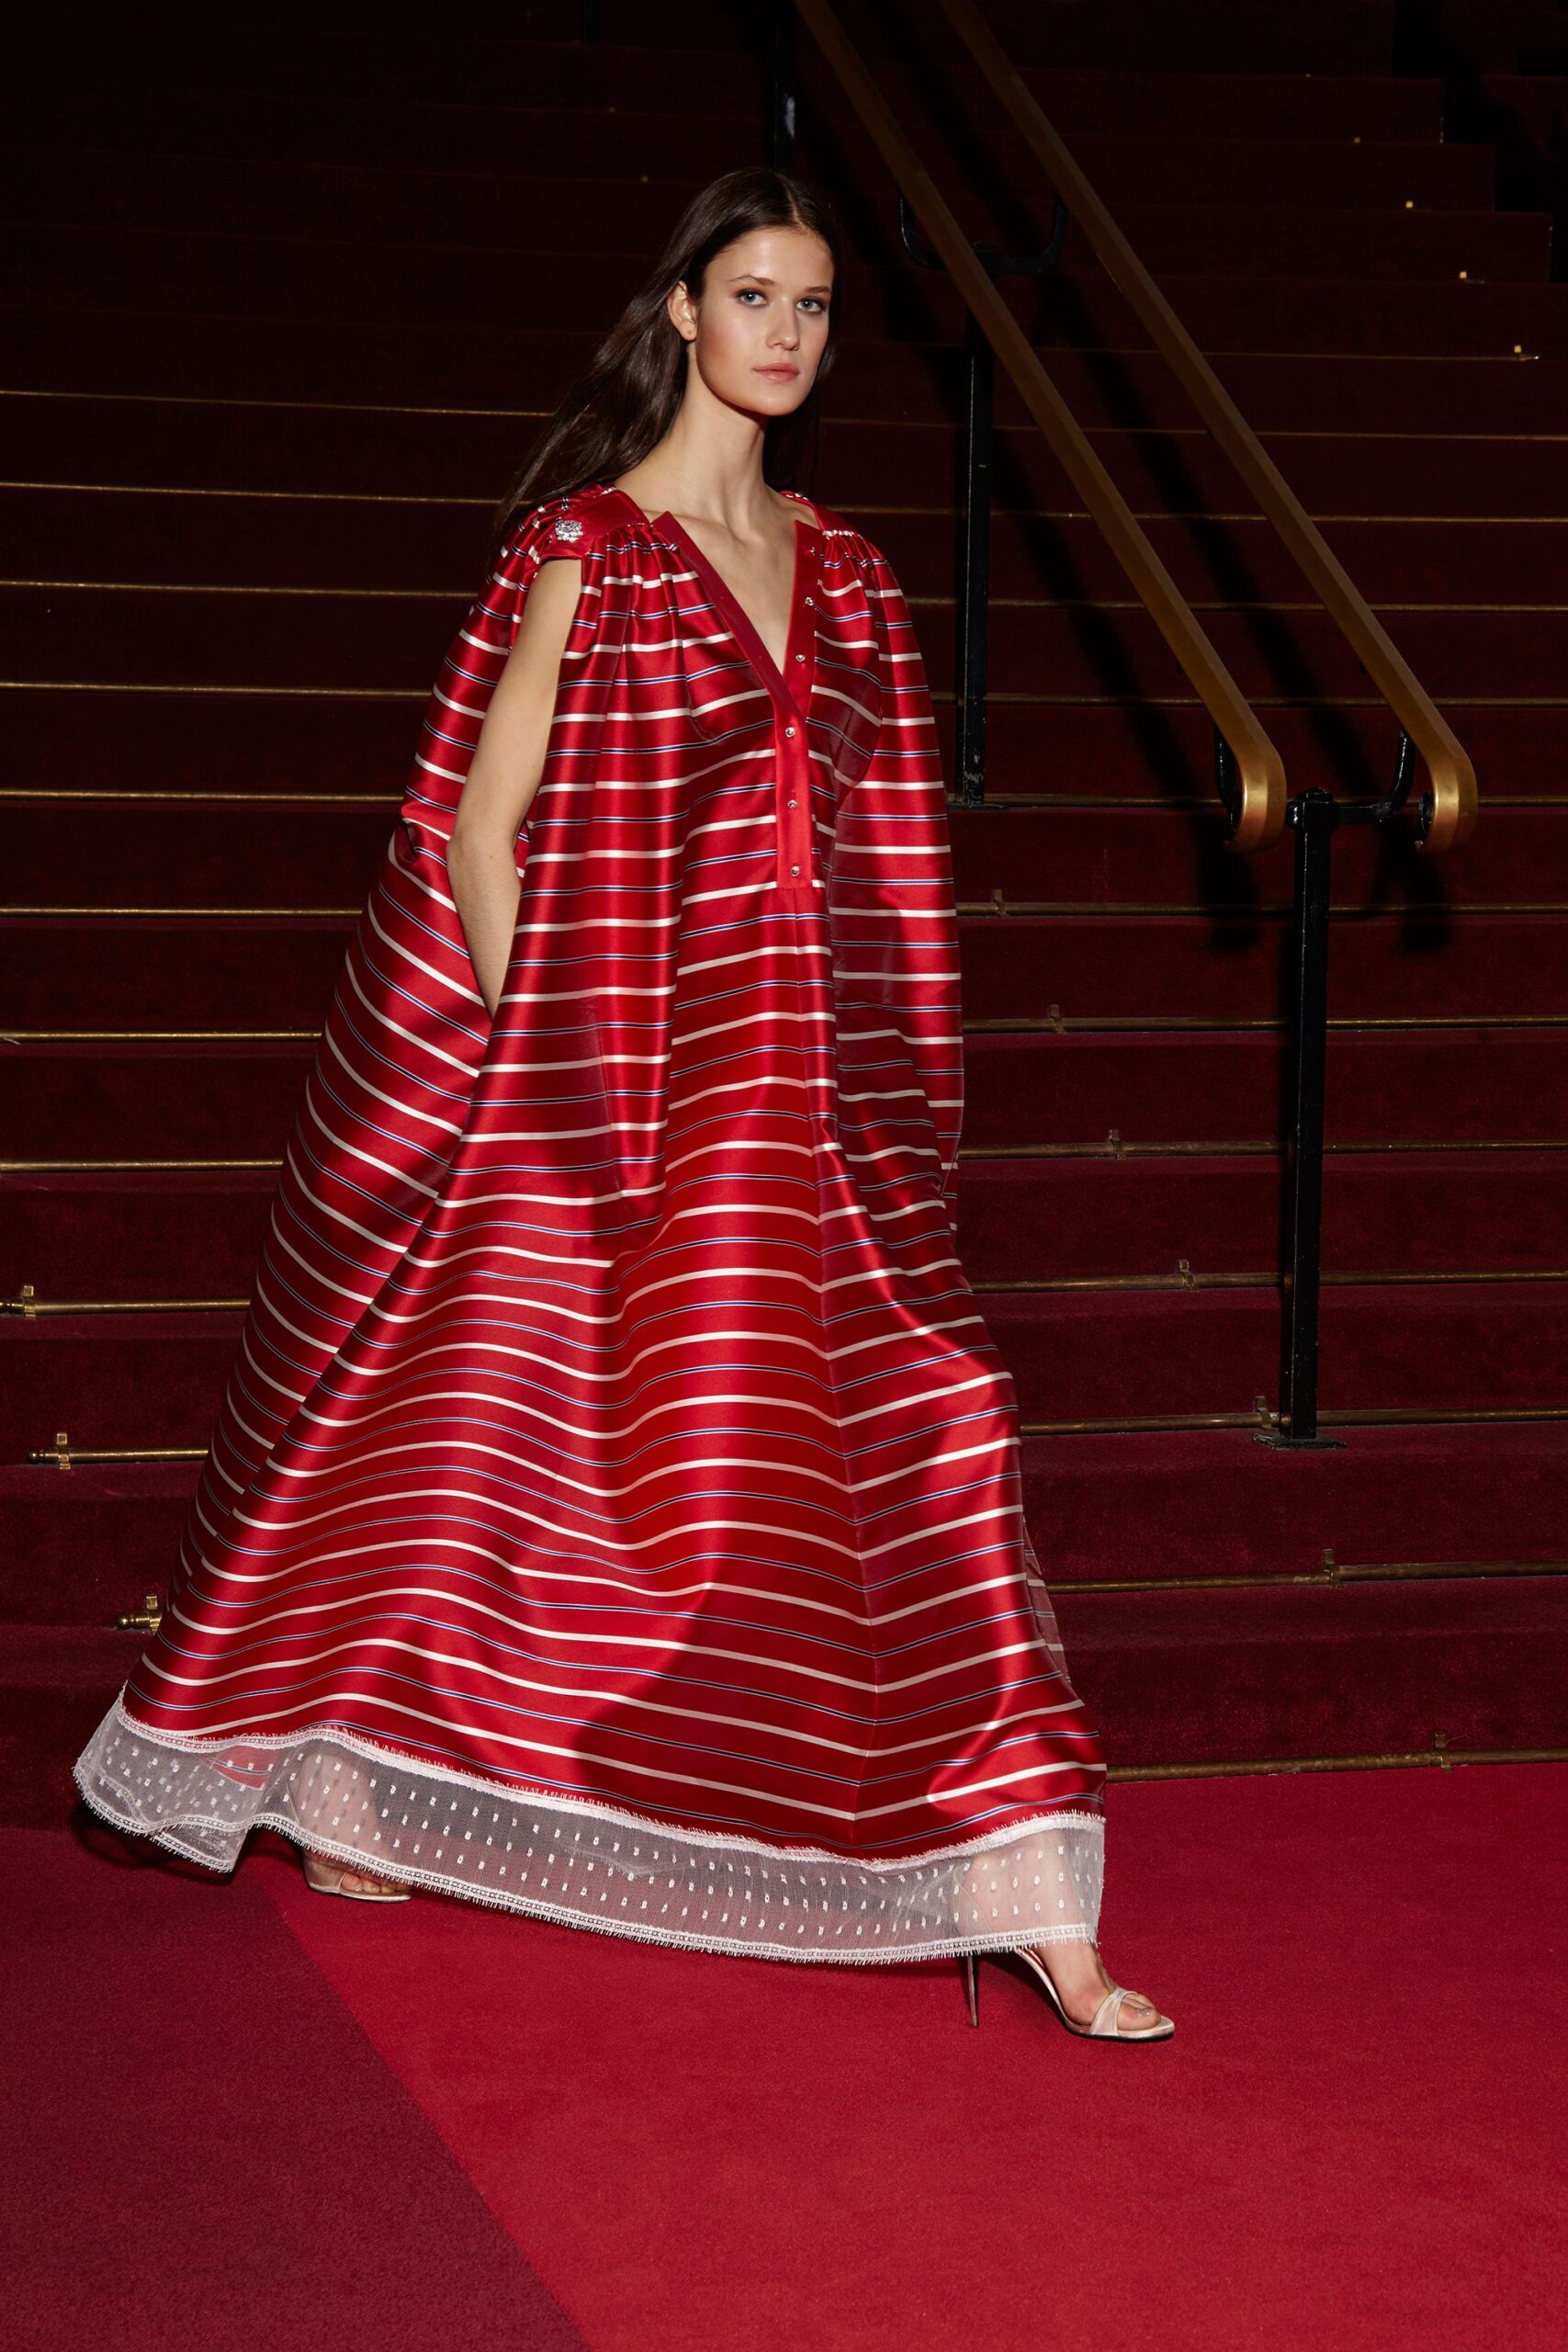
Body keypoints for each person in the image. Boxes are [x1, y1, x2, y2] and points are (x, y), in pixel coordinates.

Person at [74, 168, 1169, 2042]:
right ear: (678, 310)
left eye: (815, 307)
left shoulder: (846, 567)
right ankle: (342, 1773)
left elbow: (884, 874)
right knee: (459, 1425)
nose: (786, 335)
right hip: (604, 1080)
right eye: (753, 295)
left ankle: (1026, 1884)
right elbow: (475, 831)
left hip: (807, 1115)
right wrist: (554, 1061)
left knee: (937, 1423)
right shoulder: (593, 546)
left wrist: (881, 1092)